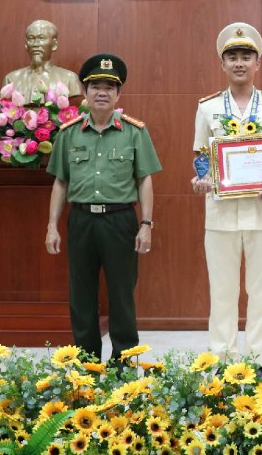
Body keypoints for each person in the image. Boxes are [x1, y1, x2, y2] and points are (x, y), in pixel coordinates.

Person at [191, 22, 262, 362]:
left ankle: (258, 360)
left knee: (260, 292)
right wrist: (203, 179)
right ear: (222, 64)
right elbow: (200, 155)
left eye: (246, 56)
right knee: (222, 292)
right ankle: (221, 361)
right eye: (232, 57)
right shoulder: (207, 108)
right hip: (220, 214)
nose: (239, 63)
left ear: (258, 63)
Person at [45, 54, 161, 363]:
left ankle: (123, 360)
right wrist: (51, 226)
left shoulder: (135, 132)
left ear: (118, 95)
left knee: (122, 295)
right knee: (81, 295)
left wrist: (146, 224)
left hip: (120, 220)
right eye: (95, 86)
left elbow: (144, 180)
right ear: (85, 92)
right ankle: (86, 361)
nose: (101, 92)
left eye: (110, 87)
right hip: (81, 221)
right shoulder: (69, 133)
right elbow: (60, 183)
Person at [2, 19, 83, 103]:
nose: (35, 44)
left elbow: (76, 111)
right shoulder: (11, 79)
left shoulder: (69, 78)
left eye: (41, 38)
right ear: (26, 44)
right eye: (31, 38)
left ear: (54, 45)